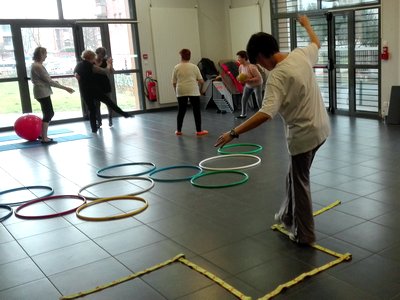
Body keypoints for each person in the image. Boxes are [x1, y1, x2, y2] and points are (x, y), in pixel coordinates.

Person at [215, 15, 330, 246]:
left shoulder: (277, 76)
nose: (260, 67)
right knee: (294, 176)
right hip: (322, 129)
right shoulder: (300, 54)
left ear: (259, 56)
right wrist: (306, 24)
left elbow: (265, 113)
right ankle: (287, 216)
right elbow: (316, 42)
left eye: (257, 63)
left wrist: (233, 132)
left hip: (303, 136)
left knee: (300, 184)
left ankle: (304, 235)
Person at [74, 50, 130, 133]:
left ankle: (93, 129)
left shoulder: (79, 65)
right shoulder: (91, 66)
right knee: (109, 102)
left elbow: (75, 72)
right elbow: (105, 71)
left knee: (91, 109)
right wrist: (109, 64)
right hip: (94, 89)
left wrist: (76, 75)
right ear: (91, 58)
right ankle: (124, 114)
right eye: (94, 57)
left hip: (84, 91)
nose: (95, 58)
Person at [31, 46, 75, 144]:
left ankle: (42, 135)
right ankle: (44, 138)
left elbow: (45, 80)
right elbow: (49, 81)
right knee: (49, 113)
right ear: (40, 55)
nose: (46, 56)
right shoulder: (38, 66)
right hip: (42, 92)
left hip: (41, 91)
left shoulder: (36, 65)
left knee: (47, 113)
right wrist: (65, 88)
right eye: (45, 54)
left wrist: (53, 82)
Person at [172, 48, 208, 136]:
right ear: (189, 56)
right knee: (196, 110)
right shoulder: (194, 67)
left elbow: (174, 82)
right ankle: (199, 131)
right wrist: (201, 90)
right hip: (193, 90)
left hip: (181, 90)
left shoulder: (177, 67)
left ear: (181, 57)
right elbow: (201, 81)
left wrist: (176, 91)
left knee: (181, 110)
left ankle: (179, 130)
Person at [236, 50, 263, 119]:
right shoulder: (240, 67)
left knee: (258, 99)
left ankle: (263, 114)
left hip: (257, 84)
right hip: (248, 85)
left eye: (239, 58)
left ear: (244, 58)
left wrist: (248, 80)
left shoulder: (251, 67)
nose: (238, 59)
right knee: (244, 98)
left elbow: (259, 78)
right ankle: (243, 114)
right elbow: (240, 77)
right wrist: (240, 80)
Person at [94, 47, 114, 128]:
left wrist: (110, 65)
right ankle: (99, 121)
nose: (102, 56)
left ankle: (110, 118)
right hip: (95, 85)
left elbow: (111, 71)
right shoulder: (92, 61)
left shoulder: (106, 61)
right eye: (101, 54)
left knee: (109, 103)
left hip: (105, 84)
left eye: (103, 54)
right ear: (97, 53)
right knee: (96, 104)